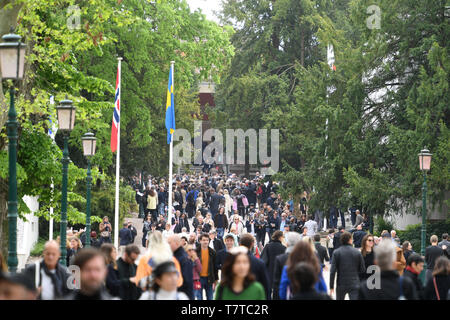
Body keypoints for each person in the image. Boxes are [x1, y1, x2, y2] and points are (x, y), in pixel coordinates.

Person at [329, 231, 365, 300]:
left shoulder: (336, 252)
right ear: (350, 240)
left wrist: (331, 286)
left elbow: (332, 271)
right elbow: (362, 269)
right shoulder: (357, 252)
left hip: (341, 283)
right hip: (354, 282)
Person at [239, 234, 270, 299]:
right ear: (252, 244)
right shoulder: (259, 263)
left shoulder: (232, 261)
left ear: (239, 244)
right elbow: (266, 286)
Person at [272, 232, 302, 300]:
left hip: (285, 293)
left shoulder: (280, 259)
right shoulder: (306, 258)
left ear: (287, 243)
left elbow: (277, 281)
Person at [168, 234, 194, 300]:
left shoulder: (183, 259)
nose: (167, 245)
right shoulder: (174, 256)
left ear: (176, 243)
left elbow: (186, 281)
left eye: (169, 243)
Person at [260, 230, 286, 298]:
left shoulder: (268, 246)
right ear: (280, 237)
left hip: (268, 272)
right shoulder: (284, 248)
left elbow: (263, 260)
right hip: (279, 274)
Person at [196, 233, 219, 300]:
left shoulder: (213, 252)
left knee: (210, 297)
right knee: (199, 298)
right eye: (203, 240)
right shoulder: (196, 252)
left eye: (207, 240)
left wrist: (216, 279)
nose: (205, 242)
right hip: (199, 279)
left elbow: (215, 267)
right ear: (200, 241)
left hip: (209, 278)